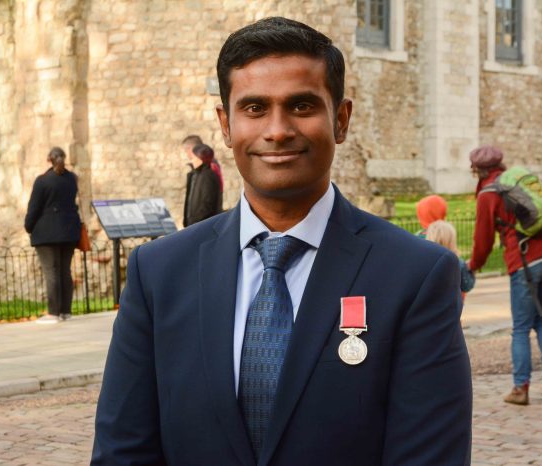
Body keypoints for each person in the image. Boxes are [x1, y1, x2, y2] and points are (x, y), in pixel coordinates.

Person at [93, 17, 472, 465]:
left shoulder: (414, 276)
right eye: (254, 108)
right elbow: (124, 451)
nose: (277, 130)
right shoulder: (158, 273)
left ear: (342, 119)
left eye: (302, 106)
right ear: (226, 124)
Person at [468, 145, 542, 406]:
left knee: (521, 327)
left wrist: (473, 265)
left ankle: (520, 388)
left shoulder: (488, 194)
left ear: (477, 170)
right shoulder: (518, 181)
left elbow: (483, 241)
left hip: (525, 262)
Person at [24, 147, 81, 324]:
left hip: (47, 232)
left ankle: (53, 312)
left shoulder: (42, 181)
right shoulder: (72, 179)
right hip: (69, 231)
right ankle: (65, 310)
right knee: (65, 270)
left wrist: (28, 226)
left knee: (51, 271)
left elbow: (34, 208)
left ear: (49, 159)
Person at [425, 220, 475, 297]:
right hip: (450, 306)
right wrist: (470, 271)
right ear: (452, 241)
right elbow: (467, 286)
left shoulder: (425, 262)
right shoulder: (458, 263)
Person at [183, 143, 223, 227]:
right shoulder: (195, 174)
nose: (191, 160)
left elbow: (207, 205)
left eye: (194, 158)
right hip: (193, 226)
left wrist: (195, 223)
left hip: (201, 226)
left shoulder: (208, 176)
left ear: (201, 159)